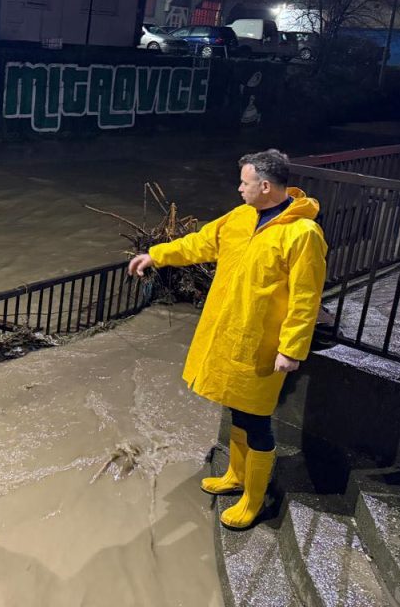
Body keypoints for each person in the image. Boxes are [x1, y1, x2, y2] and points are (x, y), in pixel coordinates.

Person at [127, 149, 327, 530]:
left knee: (256, 419)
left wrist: (291, 348)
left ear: (265, 186)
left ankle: (253, 498)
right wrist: (156, 255)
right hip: (232, 333)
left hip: (263, 344)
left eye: (245, 182)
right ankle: (236, 475)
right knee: (237, 408)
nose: (239, 189)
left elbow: (306, 296)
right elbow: (199, 244)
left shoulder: (303, 234)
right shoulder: (240, 218)